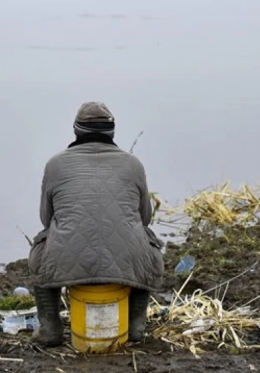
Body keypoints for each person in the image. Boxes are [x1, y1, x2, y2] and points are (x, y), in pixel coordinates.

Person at [28, 101, 164, 346]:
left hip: (66, 260)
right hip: (127, 260)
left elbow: (46, 219)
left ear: (76, 131)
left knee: (40, 249)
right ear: (111, 132)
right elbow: (145, 218)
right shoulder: (133, 164)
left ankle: (50, 328)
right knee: (149, 243)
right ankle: (134, 324)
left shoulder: (55, 164)